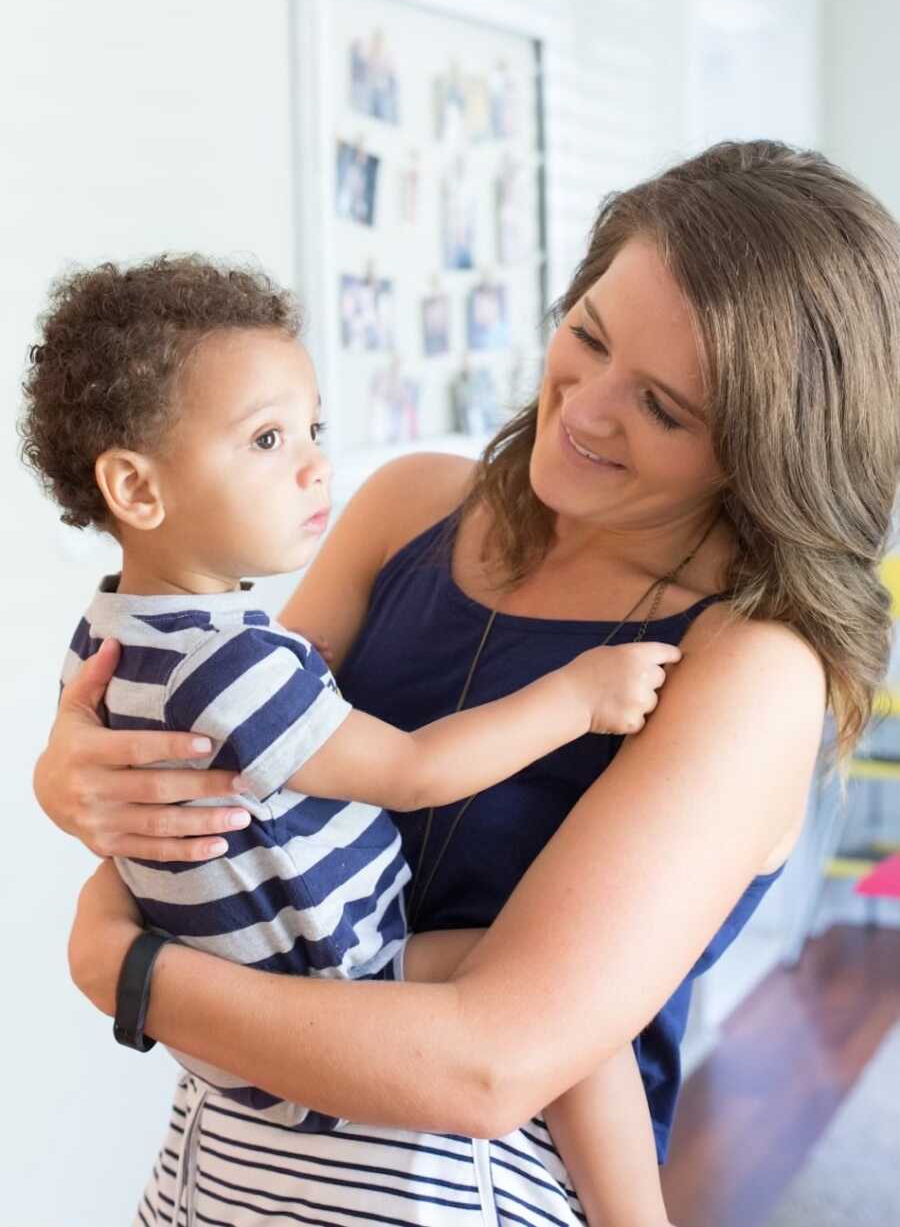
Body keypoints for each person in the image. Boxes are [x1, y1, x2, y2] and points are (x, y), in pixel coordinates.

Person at [35, 141, 900, 1227]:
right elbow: (230, 787)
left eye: (664, 407)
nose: (584, 408)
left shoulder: (750, 663)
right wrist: (77, 780)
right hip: (227, 1162)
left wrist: (122, 964)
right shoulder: (407, 510)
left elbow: (488, 1066)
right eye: (585, 334)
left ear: (764, 445)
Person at [22, 255, 682, 1222]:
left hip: (229, 1040)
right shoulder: (238, 667)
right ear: (138, 486)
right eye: (266, 438)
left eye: (313, 429)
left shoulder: (109, 635)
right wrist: (579, 696)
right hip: (342, 973)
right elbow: (415, 773)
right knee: (585, 1032)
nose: (315, 463)